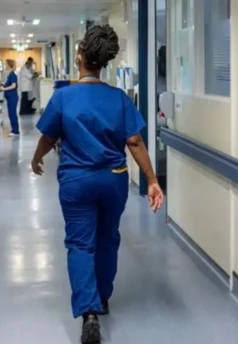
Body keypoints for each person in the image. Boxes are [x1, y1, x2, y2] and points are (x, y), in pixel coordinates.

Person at [31, 25, 164, 344]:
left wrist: (37, 158)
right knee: (108, 239)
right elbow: (134, 141)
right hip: (113, 180)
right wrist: (152, 180)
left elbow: (49, 137)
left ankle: (88, 312)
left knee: (80, 243)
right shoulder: (118, 98)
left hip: (76, 181)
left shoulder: (63, 96)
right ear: (103, 62)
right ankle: (102, 298)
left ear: (79, 58)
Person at [0, 59, 20, 137]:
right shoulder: (10, 75)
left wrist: (4, 89)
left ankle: (15, 131)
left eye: (6, 64)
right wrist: (1, 87)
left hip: (13, 97)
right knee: (11, 113)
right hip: (10, 97)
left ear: (9, 65)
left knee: (12, 114)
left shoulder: (13, 75)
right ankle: (14, 129)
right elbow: (7, 85)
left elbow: (14, 86)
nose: (5, 66)